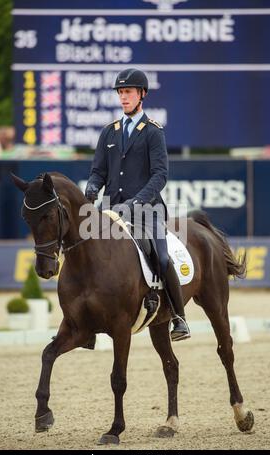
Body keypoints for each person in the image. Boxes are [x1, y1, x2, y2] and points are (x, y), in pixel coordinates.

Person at [85, 68, 190, 341]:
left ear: (141, 94)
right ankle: (85, 319)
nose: (123, 97)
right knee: (84, 251)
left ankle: (179, 317)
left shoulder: (153, 132)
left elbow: (160, 176)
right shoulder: (109, 132)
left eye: (128, 92)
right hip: (111, 210)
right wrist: (93, 186)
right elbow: (98, 171)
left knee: (162, 257)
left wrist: (135, 202)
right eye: (121, 92)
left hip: (147, 210)